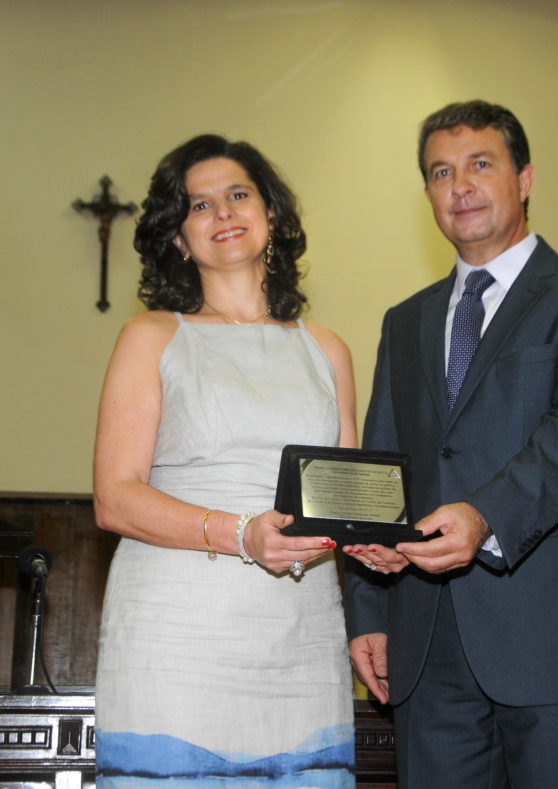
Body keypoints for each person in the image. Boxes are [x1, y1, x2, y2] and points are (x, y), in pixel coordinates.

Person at [342, 101, 558, 788]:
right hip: (427, 646)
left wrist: (484, 513)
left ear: (526, 177)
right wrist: (366, 610)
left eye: (481, 164)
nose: (461, 186)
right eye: (440, 172)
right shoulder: (405, 322)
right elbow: (381, 465)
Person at [93, 134, 357, 787]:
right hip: (177, 641)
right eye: (199, 205)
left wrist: (369, 540)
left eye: (238, 194)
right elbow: (114, 496)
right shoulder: (152, 336)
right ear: (180, 238)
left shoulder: (328, 349)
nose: (224, 213)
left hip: (301, 642)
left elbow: (345, 496)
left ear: (270, 213)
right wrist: (242, 533)